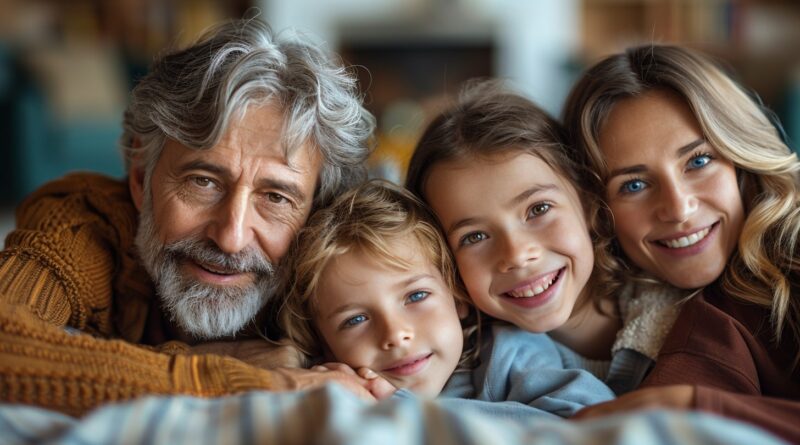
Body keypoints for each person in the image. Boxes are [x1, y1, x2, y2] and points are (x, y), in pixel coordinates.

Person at [0, 18, 378, 416]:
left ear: (315, 210)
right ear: (141, 178)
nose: (230, 238)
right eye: (203, 182)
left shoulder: (338, 259)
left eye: (276, 197)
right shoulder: (88, 224)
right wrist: (239, 375)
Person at [561, 44, 800, 442]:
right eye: (634, 185)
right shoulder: (703, 318)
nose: (678, 208)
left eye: (699, 161)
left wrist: (692, 404)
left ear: (739, 161)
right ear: (597, 212)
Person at [405, 80, 683, 396]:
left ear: (589, 202)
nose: (517, 254)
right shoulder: (478, 379)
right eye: (475, 236)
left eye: (538, 209)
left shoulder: (684, 307)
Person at [276, 179, 615, 419]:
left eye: (416, 296)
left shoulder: (509, 354)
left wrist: (405, 407)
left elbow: (591, 416)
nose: (395, 334)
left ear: (457, 297)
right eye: (355, 320)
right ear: (326, 345)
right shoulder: (342, 394)